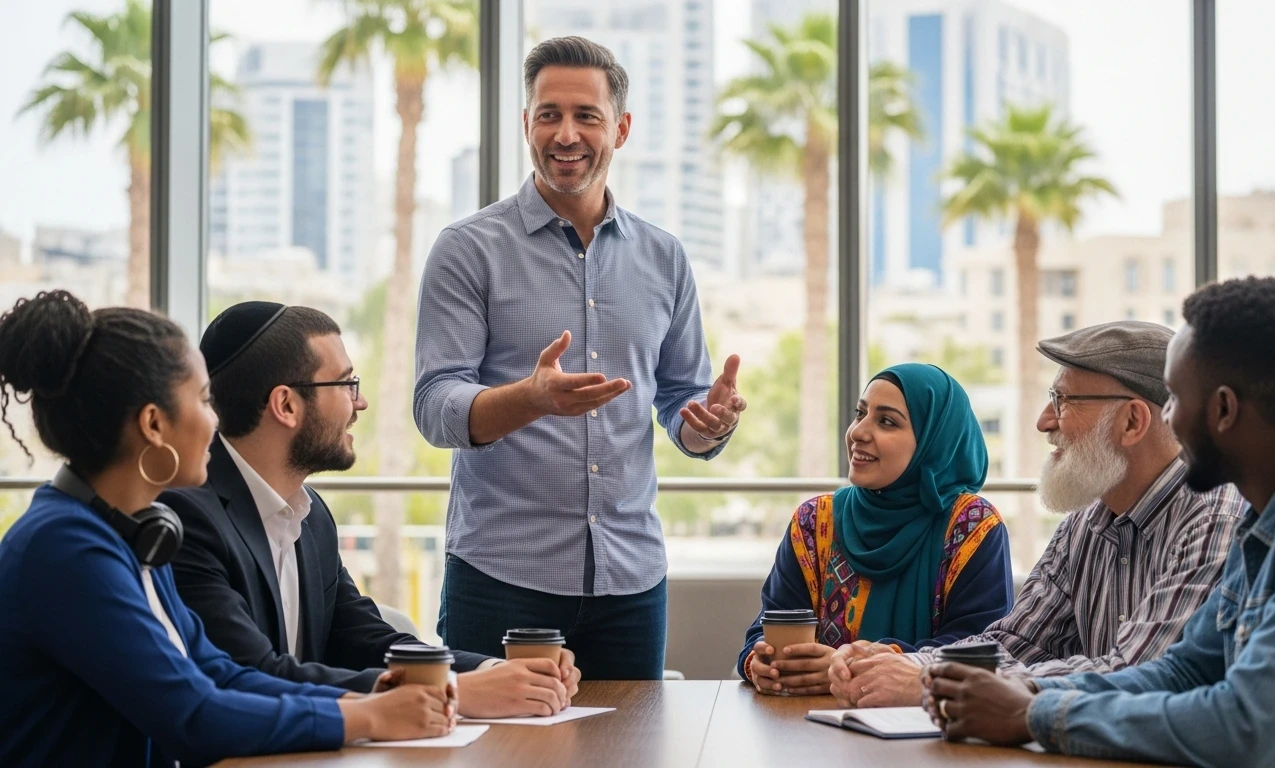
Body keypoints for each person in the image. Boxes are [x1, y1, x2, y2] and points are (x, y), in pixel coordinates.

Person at [925, 277, 1275, 768]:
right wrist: (1026, 692)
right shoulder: (1272, 513)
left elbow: (1248, 726)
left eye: (1173, 398)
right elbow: (1182, 671)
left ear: (1223, 409)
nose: (1167, 420)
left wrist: (1035, 713)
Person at [0, 291, 453, 767]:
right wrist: (369, 720)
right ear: (154, 424)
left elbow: (219, 675)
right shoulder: (67, 549)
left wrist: (366, 704)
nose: (217, 420)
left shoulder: (128, 532)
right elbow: (194, 715)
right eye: (202, 400)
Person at [414, 35, 746, 680]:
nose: (566, 134)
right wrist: (529, 400)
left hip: (632, 581)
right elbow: (434, 407)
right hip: (500, 576)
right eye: (549, 115)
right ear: (526, 125)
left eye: (586, 116)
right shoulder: (467, 250)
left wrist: (707, 423)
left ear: (619, 129)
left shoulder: (664, 258)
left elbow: (679, 397)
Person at [160, 301, 580, 717]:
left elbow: (361, 637)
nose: (359, 404)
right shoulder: (189, 519)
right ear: (285, 405)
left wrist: (497, 671)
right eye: (345, 385)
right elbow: (249, 673)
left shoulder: (311, 516)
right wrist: (452, 691)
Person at [830, 322, 1243, 708]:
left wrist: (927, 681)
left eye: (1063, 401)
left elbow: (1138, 675)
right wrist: (904, 664)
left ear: (1132, 421)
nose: (1044, 422)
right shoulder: (1084, 525)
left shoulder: (1214, 522)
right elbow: (1016, 643)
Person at [738, 364, 1012, 695]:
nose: (858, 432)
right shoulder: (815, 520)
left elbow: (979, 649)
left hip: (933, 725)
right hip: (812, 724)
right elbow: (770, 626)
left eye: (886, 421)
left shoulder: (971, 527)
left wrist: (848, 670)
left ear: (932, 441)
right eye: (860, 413)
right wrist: (761, 663)